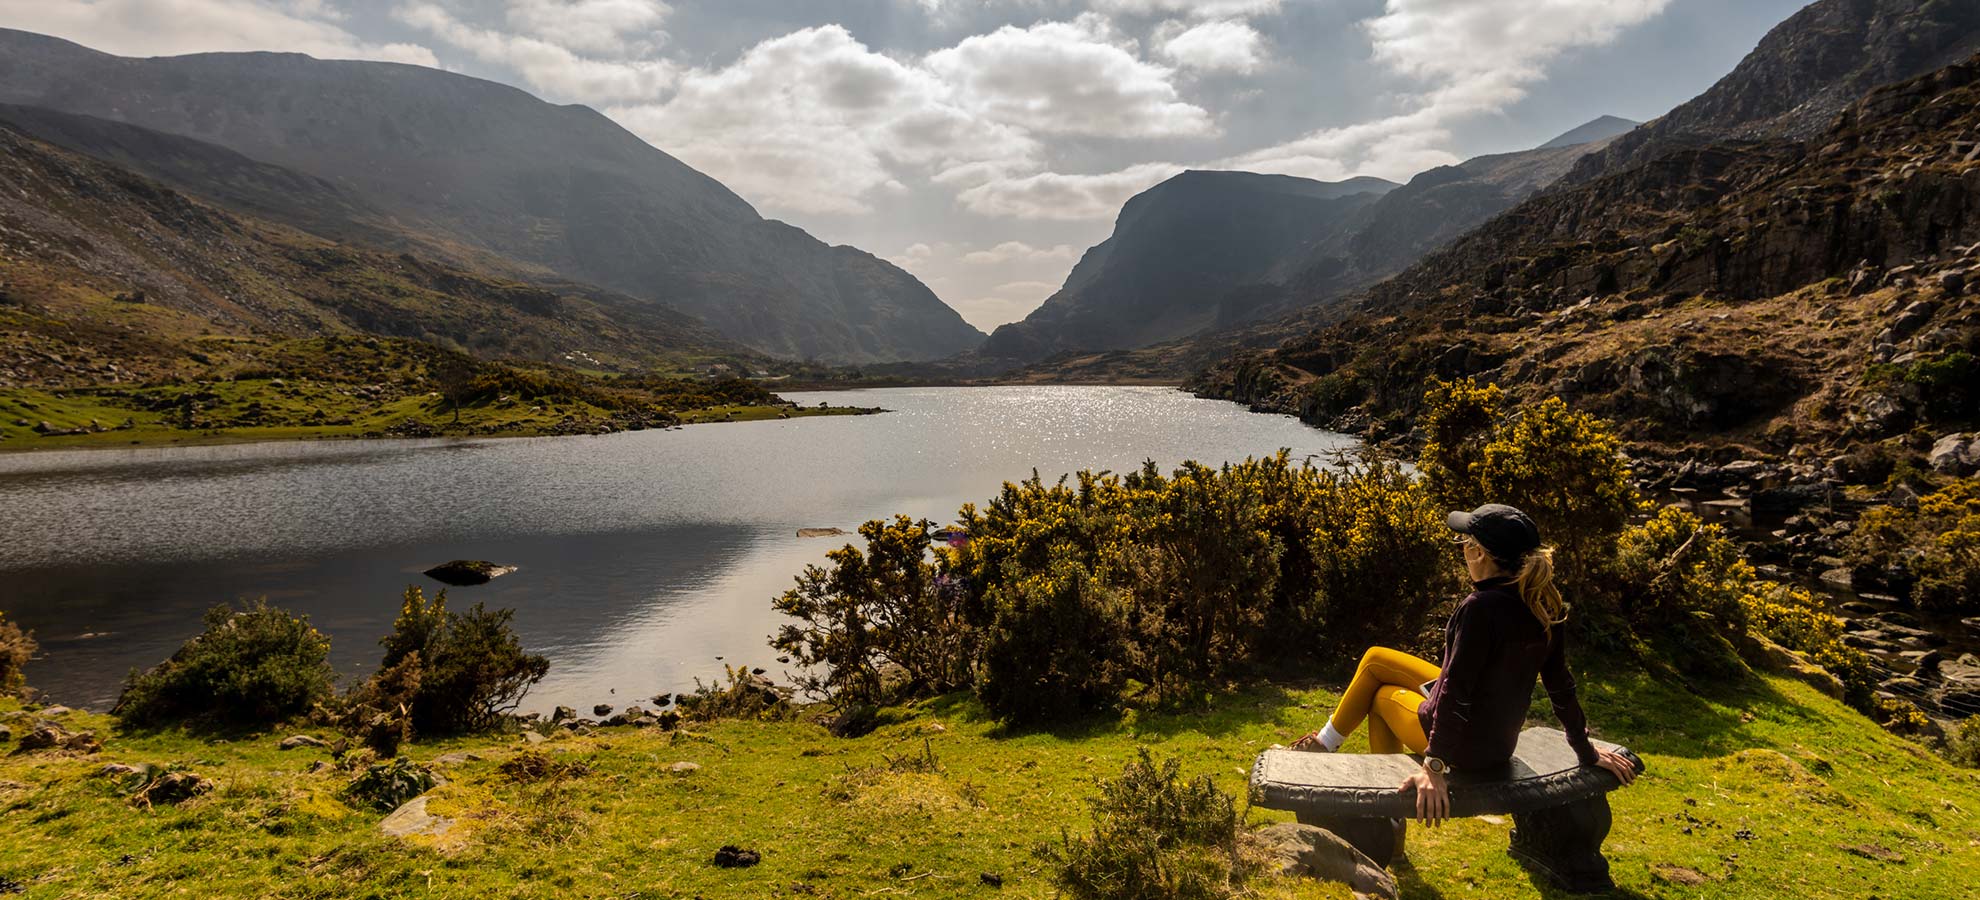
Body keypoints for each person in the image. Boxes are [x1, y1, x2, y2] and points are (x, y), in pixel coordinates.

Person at [1290, 503, 1638, 825]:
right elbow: (1560, 684)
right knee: (1376, 658)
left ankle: (1387, 820)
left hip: (1463, 748)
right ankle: (1323, 745)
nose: (1462, 549)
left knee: (1381, 697)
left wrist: (1435, 767)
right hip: (1498, 742)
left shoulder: (1479, 608)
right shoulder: (1543, 603)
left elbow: (1457, 691)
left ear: (1479, 553)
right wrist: (1584, 748)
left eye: (1464, 542)